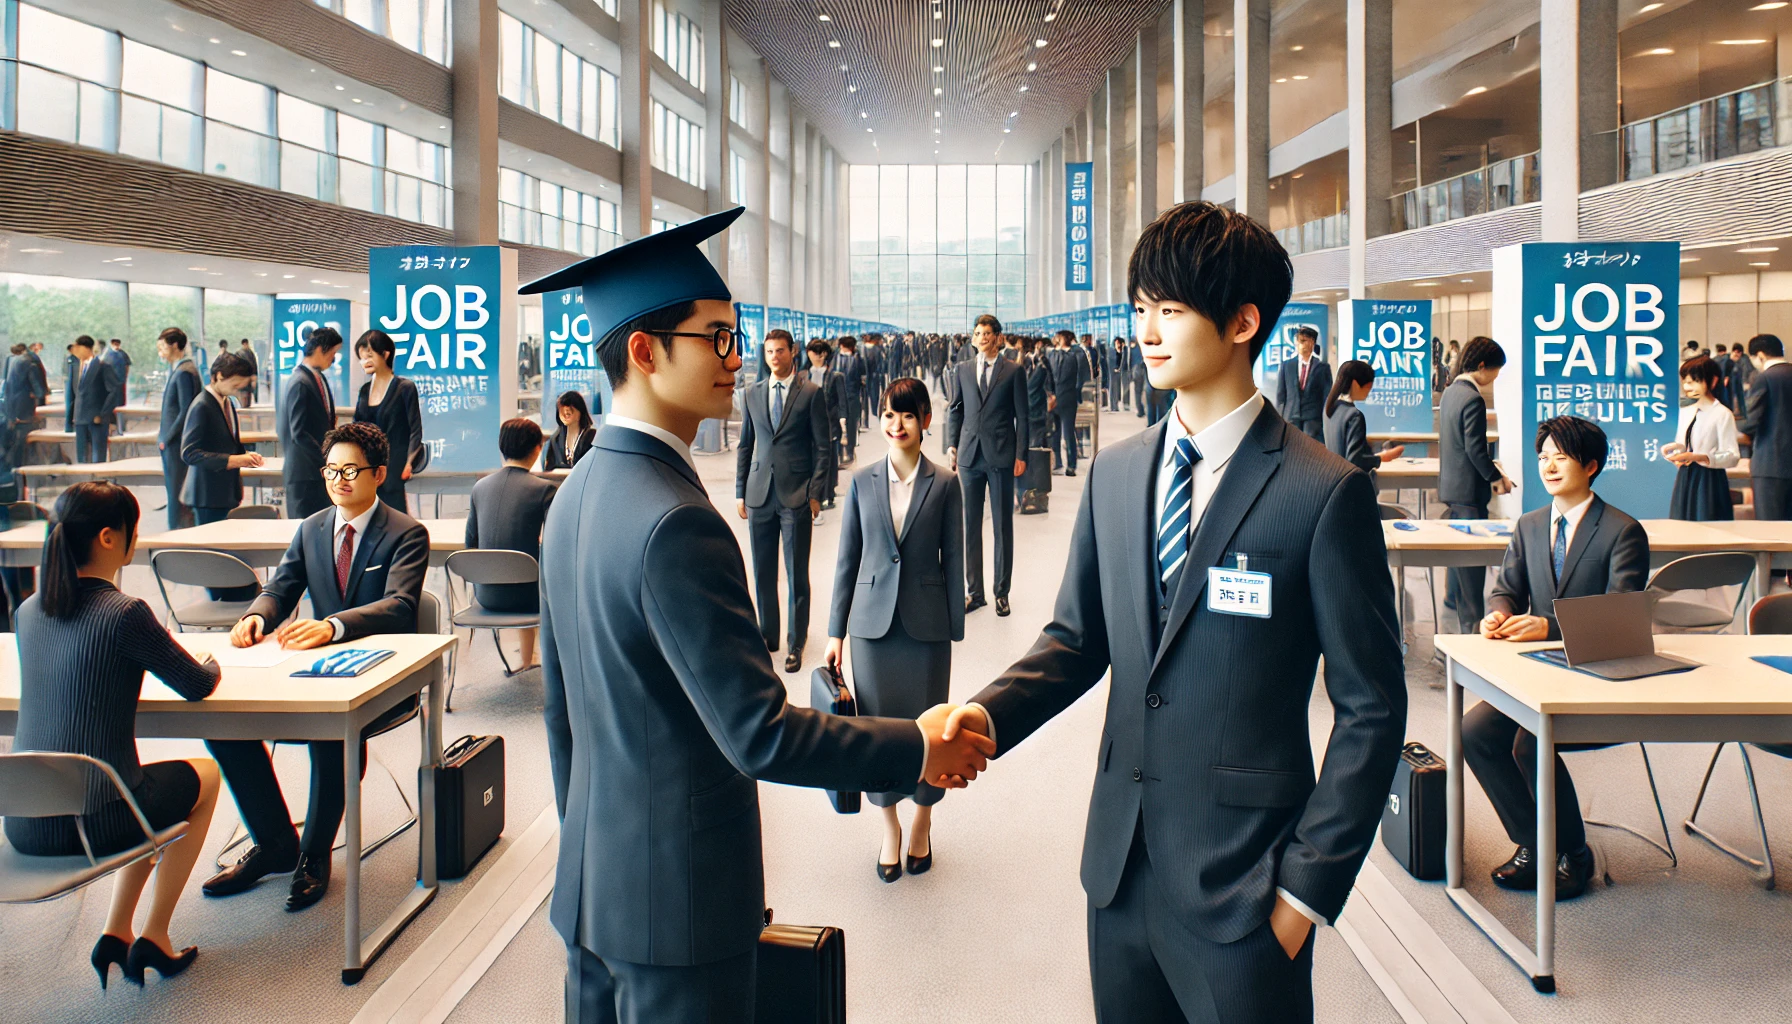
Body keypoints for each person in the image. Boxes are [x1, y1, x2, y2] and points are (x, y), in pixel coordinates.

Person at [518, 208, 993, 1024]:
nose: (740, 360)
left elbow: (563, 717)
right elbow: (760, 733)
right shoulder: (677, 520)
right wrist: (919, 742)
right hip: (684, 908)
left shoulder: (576, 496)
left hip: (595, 892)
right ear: (644, 350)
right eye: (718, 338)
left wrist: (596, 863)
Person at [943, 201, 1406, 1024]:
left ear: (1242, 322)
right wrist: (983, 715)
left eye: (1171, 309)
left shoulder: (1322, 492)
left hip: (1247, 889)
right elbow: (1076, 641)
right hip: (1118, 872)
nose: (1147, 330)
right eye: (1141, 308)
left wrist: (1306, 889)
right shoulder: (1118, 474)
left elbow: (1372, 708)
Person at [202, 422, 429, 912]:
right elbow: (282, 587)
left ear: (379, 473)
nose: (339, 479)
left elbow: (401, 606)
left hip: (381, 673)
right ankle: (276, 844)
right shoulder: (311, 528)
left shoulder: (407, 532)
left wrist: (332, 626)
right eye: (332, 469)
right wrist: (256, 615)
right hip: (312, 669)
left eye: (351, 469)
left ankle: (314, 853)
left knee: (331, 733)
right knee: (222, 725)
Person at [6, 482, 223, 986]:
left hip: (23, 823)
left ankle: (115, 932)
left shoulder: (28, 611)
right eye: (133, 532)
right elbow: (196, 684)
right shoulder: (125, 613)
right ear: (109, 538)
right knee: (206, 776)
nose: (135, 542)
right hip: (91, 825)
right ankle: (154, 934)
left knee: (134, 786)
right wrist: (212, 661)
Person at [1468, 416, 1648, 901]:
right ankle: (1534, 843)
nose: (1548, 465)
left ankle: (1574, 851)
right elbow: (1506, 589)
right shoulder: (1528, 526)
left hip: (1596, 670)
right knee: (1474, 733)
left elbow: (1620, 618)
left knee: (1529, 741)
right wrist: (1497, 614)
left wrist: (1548, 627)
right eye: (1542, 456)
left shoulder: (1622, 531)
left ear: (1590, 466)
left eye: (1560, 457)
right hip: (1538, 673)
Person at [828, 376, 967, 880]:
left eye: (908, 414)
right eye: (889, 414)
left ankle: (923, 818)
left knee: (930, 729)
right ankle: (888, 825)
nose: (897, 424)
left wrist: (953, 628)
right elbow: (847, 559)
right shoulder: (862, 482)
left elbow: (954, 556)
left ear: (926, 420)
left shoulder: (946, 483)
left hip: (926, 628)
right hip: (870, 627)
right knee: (878, 729)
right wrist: (835, 632)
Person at [735, 328, 832, 671]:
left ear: (793, 352)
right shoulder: (752, 393)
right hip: (759, 493)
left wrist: (815, 493)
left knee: (796, 573)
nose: (774, 357)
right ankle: (768, 636)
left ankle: (796, 642)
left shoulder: (810, 393)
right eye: (769, 351)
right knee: (762, 572)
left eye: (780, 351)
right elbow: (745, 445)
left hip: (796, 495)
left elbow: (824, 448)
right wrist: (739, 491)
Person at [947, 314, 1030, 617]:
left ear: (998, 337)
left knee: (1001, 526)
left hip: (1000, 456)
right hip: (969, 457)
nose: (981, 337)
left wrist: (1021, 455)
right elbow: (955, 409)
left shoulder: (1013, 372)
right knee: (970, 526)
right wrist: (952, 445)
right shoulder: (963, 370)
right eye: (977, 332)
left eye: (987, 333)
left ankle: (1001, 592)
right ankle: (975, 592)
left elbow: (1024, 415)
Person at [466, 418, 558, 669]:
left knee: (521, 568)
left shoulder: (479, 487)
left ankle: (528, 659)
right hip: (529, 598)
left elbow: (470, 544)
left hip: (486, 595)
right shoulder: (544, 489)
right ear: (537, 448)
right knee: (537, 572)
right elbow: (555, 546)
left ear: (501, 448)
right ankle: (535, 658)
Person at [1439, 337, 1513, 633]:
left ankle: (1451, 601)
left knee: (1458, 552)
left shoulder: (1450, 393)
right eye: (1495, 371)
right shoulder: (1472, 399)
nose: (1495, 378)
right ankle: (1471, 627)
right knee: (1471, 563)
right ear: (1482, 366)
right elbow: (1476, 449)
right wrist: (1496, 478)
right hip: (1469, 492)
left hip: (1451, 489)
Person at [180, 351, 264, 525]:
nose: (239, 389)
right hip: (207, 495)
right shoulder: (202, 405)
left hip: (224, 493)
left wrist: (246, 456)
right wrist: (235, 460)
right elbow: (189, 453)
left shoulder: (226, 402)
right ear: (218, 376)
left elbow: (227, 441)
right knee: (212, 549)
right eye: (235, 384)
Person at [352, 329, 425, 513]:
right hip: (367, 470)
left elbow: (415, 429)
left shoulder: (405, 388)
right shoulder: (364, 390)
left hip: (394, 469)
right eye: (361, 357)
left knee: (395, 517)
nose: (365, 361)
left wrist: (409, 463)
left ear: (385, 354)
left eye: (369, 355)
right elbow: (356, 429)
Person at [1663, 354, 1740, 521]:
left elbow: (1732, 456)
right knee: (1682, 524)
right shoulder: (1686, 412)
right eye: (1685, 380)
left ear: (1712, 381)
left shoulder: (1722, 414)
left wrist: (1700, 457)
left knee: (1708, 524)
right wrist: (1674, 451)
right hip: (1685, 476)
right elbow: (1684, 445)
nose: (1687, 386)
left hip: (1709, 481)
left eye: (1694, 381)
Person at [277, 326, 343, 518]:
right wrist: (326, 460)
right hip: (304, 474)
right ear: (321, 350)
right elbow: (299, 433)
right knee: (304, 532)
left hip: (315, 473)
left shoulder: (316, 377)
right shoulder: (300, 382)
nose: (334, 358)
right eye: (333, 353)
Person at [1323, 359, 1405, 491]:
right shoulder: (1354, 416)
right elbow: (1355, 461)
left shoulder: (1330, 410)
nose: (1369, 392)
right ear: (1356, 384)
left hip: (1334, 484)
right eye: (1368, 387)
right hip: (1352, 489)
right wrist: (1382, 457)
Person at [156, 328, 205, 531]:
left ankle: (176, 534)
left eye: (162, 347)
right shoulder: (181, 369)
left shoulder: (185, 371)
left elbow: (186, 411)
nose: (160, 352)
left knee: (177, 493)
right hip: (173, 443)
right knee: (175, 491)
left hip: (176, 444)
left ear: (175, 345)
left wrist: (167, 438)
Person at [1739, 333, 1792, 521]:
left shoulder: (1765, 378)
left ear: (1759, 355)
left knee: (1770, 528)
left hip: (1771, 464)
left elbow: (1750, 421)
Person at [803, 337, 846, 511]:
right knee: (812, 459)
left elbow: (842, 402)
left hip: (829, 424)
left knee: (828, 460)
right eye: (815, 353)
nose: (818, 357)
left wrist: (843, 423)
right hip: (807, 424)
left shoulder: (835, 377)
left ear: (827, 354)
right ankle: (813, 494)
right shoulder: (803, 376)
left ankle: (828, 494)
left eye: (822, 353)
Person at [66, 335, 122, 464]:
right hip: (79, 419)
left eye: (77, 348)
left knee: (98, 458)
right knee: (82, 458)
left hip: (97, 419)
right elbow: (74, 395)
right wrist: (70, 419)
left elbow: (113, 392)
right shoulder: (75, 368)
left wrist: (103, 414)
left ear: (86, 348)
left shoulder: (102, 366)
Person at [1274, 325, 1330, 440]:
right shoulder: (1287, 366)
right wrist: (1280, 418)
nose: (1299, 345)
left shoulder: (1322, 367)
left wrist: (1325, 419)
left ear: (1312, 342)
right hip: (1290, 416)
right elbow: (1281, 395)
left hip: (1313, 419)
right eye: (1298, 342)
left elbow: (1326, 395)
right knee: (1292, 449)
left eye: (1303, 341)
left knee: (1311, 450)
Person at [1047, 329, 1089, 476]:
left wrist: (1077, 391)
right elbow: (1048, 374)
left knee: (1068, 432)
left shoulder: (1076, 354)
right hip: (1054, 397)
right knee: (1054, 432)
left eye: (1059, 336)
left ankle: (1071, 465)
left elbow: (1081, 375)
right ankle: (1057, 462)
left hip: (1068, 396)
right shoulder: (1052, 354)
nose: (1056, 339)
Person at [542, 390, 596, 471]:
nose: (565, 416)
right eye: (561, 413)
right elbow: (549, 468)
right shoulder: (555, 439)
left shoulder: (592, 436)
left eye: (568, 414)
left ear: (580, 412)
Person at [834, 336, 864, 463]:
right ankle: (843, 453)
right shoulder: (834, 358)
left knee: (850, 425)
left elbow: (862, 379)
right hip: (843, 397)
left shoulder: (857, 359)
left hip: (850, 397)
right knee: (843, 425)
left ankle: (847, 452)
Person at [105, 338, 132, 417]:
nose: (116, 346)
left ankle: (120, 416)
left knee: (120, 399)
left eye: (117, 344)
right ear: (111, 344)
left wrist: (125, 375)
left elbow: (127, 365)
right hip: (110, 381)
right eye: (114, 344)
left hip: (120, 379)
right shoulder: (107, 354)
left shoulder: (123, 354)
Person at [237, 339, 259, 405]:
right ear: (243, 344)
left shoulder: (249, 353)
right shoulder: (243, 353)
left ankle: (246, 404)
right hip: (244, 376)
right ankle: (244, 404)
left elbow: (254, 365)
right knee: (244, 392)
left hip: (246, 376)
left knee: (247, 392)